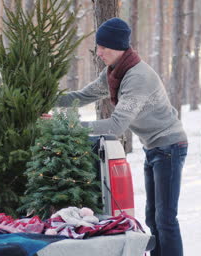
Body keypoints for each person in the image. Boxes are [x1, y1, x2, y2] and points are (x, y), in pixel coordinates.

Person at [54, 17, 187, 256]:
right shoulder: (115, 73)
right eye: (99, 45)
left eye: (104, 47)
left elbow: (115, 126)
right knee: (153, 217)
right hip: (155, 147)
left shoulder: (137, 77)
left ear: (119, 48)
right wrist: (47, 98)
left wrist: (69, 127)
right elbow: (83, 96)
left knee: (165, 218)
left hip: (169, 146)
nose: (99, 51)